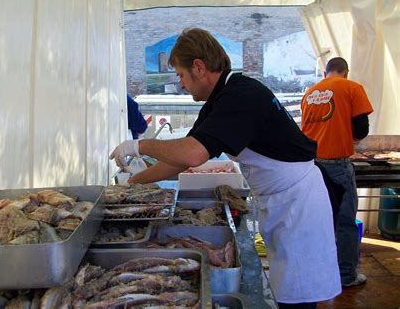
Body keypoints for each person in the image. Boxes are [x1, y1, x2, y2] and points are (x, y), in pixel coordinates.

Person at [111, 28, 341, 307]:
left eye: (181, 75)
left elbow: (193, 154)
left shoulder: (241, 95)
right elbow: (180, 159)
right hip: (280, 199)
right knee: (287, 290)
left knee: (299, 297)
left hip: (298, 203)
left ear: (199, 67)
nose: (181, 84)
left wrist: (139, 146)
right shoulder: (220, 99)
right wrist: (131, 186)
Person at [301, 57, 373, 287]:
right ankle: (345, 276)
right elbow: (361, 129)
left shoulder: (310, 93)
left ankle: (316, 272)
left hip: (311, 165)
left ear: (326, 73)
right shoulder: (352, 87)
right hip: (337, 166)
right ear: (346, 72)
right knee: (344, 223)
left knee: (318, 221)